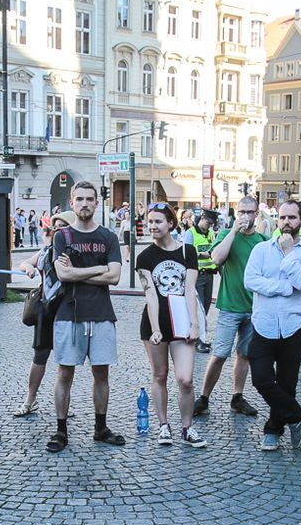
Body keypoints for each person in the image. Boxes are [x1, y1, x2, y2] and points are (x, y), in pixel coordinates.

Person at [47, 180, 125, 452]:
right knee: (64, 373)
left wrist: (79, 274)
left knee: (101, 374)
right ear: (71, 202)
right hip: (69, 314)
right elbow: (63, 275)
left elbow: (114, 277)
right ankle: (60, 430)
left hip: (102, 314)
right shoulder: (62, 237)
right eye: (79, 199)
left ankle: (100, 427)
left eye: (89, 199)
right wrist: (98, 270)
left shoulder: (108, 237)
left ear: (96, 202)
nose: (84, 204)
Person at [243, 199, 301, 450]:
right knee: (262, 379)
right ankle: (297, 416)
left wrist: (288, 253)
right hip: (263, 324)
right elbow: (251, 281)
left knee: (287, 383)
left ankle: (274, 429)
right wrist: (283, 288)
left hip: (293, 326)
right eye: (283, 218)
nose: (287, 223)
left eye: (292, 218)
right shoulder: (262, 250)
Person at [135, 203, 205, 447]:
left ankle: (187, 428)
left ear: (171, 224)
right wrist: (155, 329)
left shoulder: (187, 252)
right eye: (150, 221)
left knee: (185, 379)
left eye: (158, 222)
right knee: (160, 375)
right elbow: (151, 295)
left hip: (182, 322)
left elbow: (189, 290)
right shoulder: (144, 257)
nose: (153, 226)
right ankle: (164, 425)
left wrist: (194, 325)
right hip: (155, 323)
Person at [195, 198, 265, 419]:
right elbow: (216, 259)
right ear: (236, 213)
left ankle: (237, 397)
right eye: (242, 211)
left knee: (244, 354)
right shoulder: (226, 235)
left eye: (250, 212)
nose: (245, 216)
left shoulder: (262, 240)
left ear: (256, 214)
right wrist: (234, 231)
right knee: (219, 354)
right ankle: (204, 398)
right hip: (229, 306)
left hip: (253, 308)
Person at [15, 239, 62, 419]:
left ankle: (63, 401)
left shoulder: (73, 249)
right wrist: (28, 268)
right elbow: (24, 262)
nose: (58, 232)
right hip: (46, 308)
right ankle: (30, 399)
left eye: (63, 227)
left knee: (65, 359)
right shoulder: (46, 250)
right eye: (55, 228)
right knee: (40, 356)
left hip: (65, 307)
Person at [188, 209, 220, 325]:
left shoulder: (211, 233)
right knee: (199, 307)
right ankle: (198, 338)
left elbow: (214, 249)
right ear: (202, 218)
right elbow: (186, 254)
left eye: (211, 224)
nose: (209, 226)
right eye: (208, 223)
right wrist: (200, 255)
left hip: (209, 275)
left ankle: (201, 335)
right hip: (197, 275)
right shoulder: (190, 233)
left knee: (206, 306)